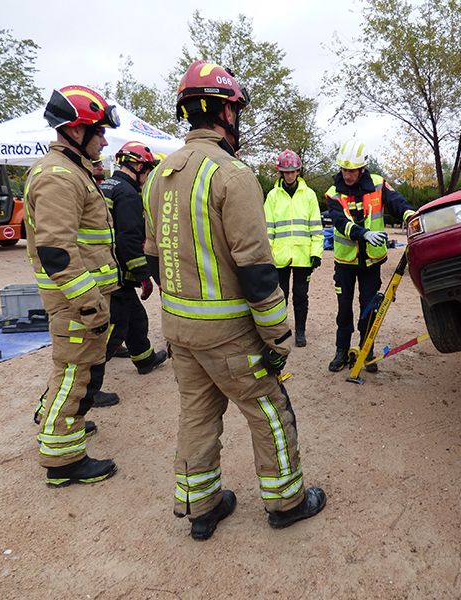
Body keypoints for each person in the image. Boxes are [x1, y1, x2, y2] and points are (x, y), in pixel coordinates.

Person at [143, 60, 326, 540]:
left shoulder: (157, 177)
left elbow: (153, 258)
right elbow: (257, 271)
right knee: (270, 411)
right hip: (229, 334)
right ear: (226, 112)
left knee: (197, 415)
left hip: (180, 330)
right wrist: (278, 335)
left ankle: (201, 507)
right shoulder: (234, 174)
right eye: (235, 111)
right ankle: (287, 501)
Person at [24, 85, 121, 487]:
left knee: (75, 370)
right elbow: (57, 252)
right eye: (98, 131)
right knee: (74, 373)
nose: (103, 139)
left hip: (83, 298)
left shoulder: (70, 170)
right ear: (75, 130)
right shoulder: (60, 176)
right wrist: (89, 304)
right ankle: (63, 460)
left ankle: (61, 422)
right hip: (77, 301)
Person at [325, 139, 415, 373]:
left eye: (352, 170)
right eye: (344, 169)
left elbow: (397, 202)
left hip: (372, 263)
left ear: (362, 168)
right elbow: (340, 221)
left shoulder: (378, 184)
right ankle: (341, 351)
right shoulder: (333, 193)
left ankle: (367, 350)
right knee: (344, 309)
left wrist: (409, 215)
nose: (347, 174)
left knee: (370, 308)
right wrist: (363, 233)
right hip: (345, 262)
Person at [99, 141, 167, 375]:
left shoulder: (107, 185)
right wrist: (143, 275)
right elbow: (128, 239)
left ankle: (144, 359)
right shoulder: (128, 193)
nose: (147, 176)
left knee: (136, 317)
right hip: (116, 271)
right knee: (116, 327)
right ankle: (86, 382)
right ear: (138, 166)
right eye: (147, 170)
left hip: (105, 265)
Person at [263, 149, 323, 347]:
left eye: (293, 171)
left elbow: (316, 227)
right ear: (281, 173)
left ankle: (300, 332)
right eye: (286, 172)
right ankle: (282, 331)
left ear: (298, 171)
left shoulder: (309, 195)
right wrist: (267, 256)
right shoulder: (272, 196)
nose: (289, 175)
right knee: (281, 297)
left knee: (300, 296)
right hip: (279, 257)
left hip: (303, 256)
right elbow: (268, 229)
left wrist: (316, 253)